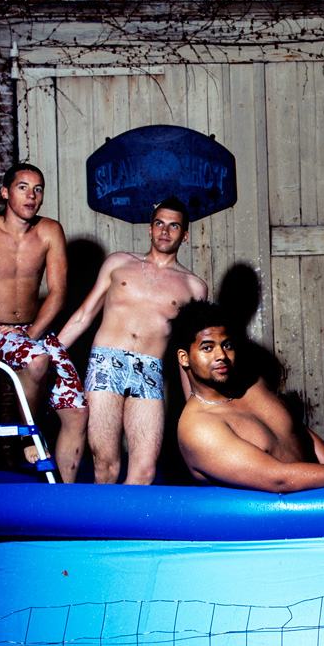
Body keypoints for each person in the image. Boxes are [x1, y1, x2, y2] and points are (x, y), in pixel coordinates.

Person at [173, 300, 324, 491]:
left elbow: (298, 432)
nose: (221, 356)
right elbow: (278, 480)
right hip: (280, 526)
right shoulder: (198, 428)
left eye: (226, 345)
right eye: (207, 348)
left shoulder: (253, 384)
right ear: (184, 358)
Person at [57, 197, 208, 484]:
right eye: (159, 224)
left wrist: (195, 402)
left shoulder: (194, 286)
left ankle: (125, 517)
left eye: (173, 226)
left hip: (149, 370)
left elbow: (187, 352)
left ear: (185, 235)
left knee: (145, 470)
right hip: (106, 361)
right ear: (150, 229)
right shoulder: (119, 263)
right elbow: (84, 315)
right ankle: (104, 516)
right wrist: (47, 352)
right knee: (105, 462)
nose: (165, 231)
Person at [0, 164, 87, 482]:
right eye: (23, 187)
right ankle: (28, 435)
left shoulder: (49, 231)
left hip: (36, 329)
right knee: (37, 359)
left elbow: (58, 293)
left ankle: (63, 496)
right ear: (4, 192)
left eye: (38, 189)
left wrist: (32, 334)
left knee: (77, 410)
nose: (32, 195)